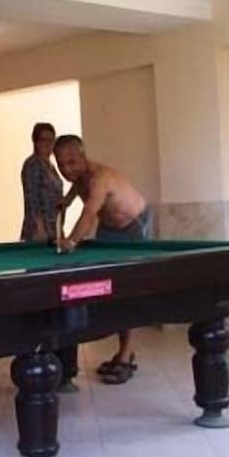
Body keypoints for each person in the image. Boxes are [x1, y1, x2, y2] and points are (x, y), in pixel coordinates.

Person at [53, 134, 153, 385]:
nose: (67, 170)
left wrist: (71, 242)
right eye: (61, 165)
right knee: (110, 289)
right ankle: (122, 351)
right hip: (109, 229)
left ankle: (126, 356)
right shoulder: (80, 177)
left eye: (71, 162)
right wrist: (66, 201)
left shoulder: (100, 178)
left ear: (83, 156)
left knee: (127, 290)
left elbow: (88, 214)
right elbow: (78, 187)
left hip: (133, 226)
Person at [19, 122, 64, 242]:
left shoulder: (51, 166)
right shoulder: (33, 164)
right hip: (39, 230)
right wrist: (39, 228)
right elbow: (32, 199)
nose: (48, 144)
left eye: (51, 140)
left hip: (53, 227)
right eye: (43, 140)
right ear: (35, 142)